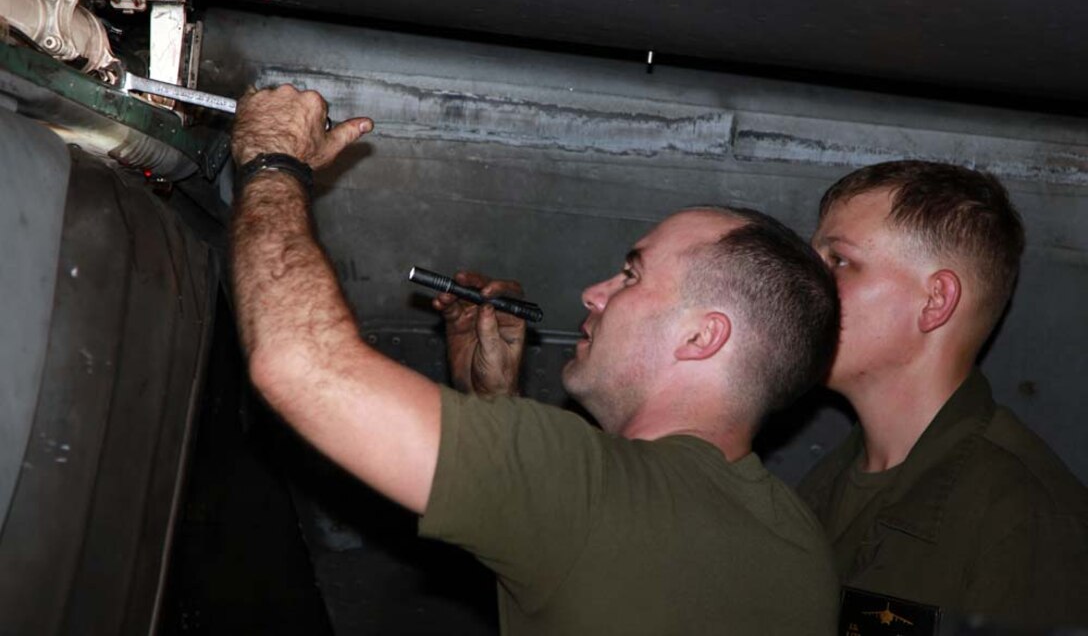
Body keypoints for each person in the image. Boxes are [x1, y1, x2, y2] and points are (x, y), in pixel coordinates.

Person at [229, 84, 842, 635]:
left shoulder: (583, 482)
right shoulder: (801, 552)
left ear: (702, 338)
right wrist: (494, 403)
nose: (594, 294)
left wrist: (272, 160)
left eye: (631, 275)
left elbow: (299, 363)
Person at [798, 160, 1088, 630]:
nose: (806, 287)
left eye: (839, 261)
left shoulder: (1027, 518)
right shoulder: (820, 487)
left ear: (935, 301)